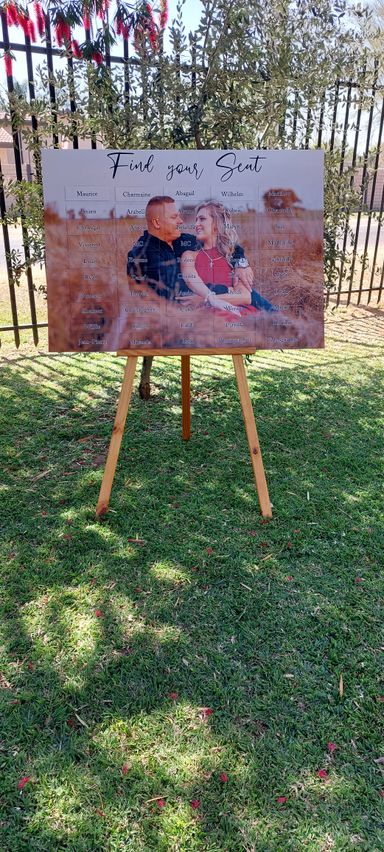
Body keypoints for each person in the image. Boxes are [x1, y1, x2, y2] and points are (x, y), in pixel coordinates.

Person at [127, 195, 253, 313]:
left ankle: (270, 315)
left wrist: (241, 263)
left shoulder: (181, 240)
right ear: (156, 223)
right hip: (168, 319)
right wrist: (226, 290)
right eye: (174, 217)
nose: (180, 221)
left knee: (250, 293)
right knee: (246, 298)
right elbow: (177, 290)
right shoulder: (143, 253)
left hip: (207, 303)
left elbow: (224, 244)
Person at [179, 201, 277, 313]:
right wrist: (226, 293)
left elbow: (245, 297)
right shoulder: (189, 255)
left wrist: (203, 300)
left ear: (216, 224)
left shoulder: (233, 257)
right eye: (196, 220)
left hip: (239, 310)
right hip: (208, 315)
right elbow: (191, 280)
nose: (196, 225)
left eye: (202, 219)